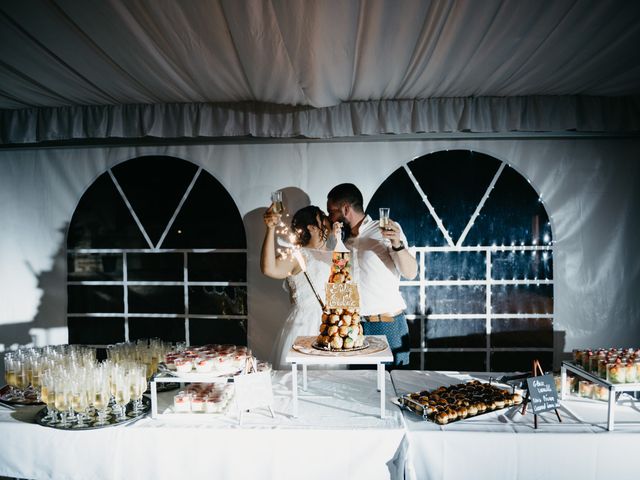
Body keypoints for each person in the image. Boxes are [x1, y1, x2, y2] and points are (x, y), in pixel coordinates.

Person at [327, 183, 417, 366]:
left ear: (345, 209)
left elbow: (410, 273)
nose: (330, 217)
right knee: (360, 390)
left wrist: (397, 244)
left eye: (332, 212)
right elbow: (342, 286)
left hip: (387, 324)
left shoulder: (383, 230)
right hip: (355, 329)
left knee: (394, 387)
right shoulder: (343, 242)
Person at [261, 204, 332, 369]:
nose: (327, 219)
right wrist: (270, 229)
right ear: (312, 227)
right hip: (305, 328)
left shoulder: (337, 253)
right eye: (322, 216)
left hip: (332, 328)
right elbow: (268, 269)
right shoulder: (298, 256)